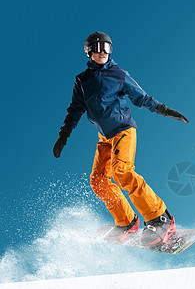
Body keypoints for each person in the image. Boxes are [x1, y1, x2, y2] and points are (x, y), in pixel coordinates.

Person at [53, 32, 188, 246]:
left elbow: (141, 97)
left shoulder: (118, 74)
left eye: (106, 48)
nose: (102, 52)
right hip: (105, 138)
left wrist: (163, 109)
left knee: (122, 172)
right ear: (88, 52)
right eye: (97, 48)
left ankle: (160, 218)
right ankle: (126, 222)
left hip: (124, 130)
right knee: (97, 180)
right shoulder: (82, 80)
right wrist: (63, 135)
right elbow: (75, 109)